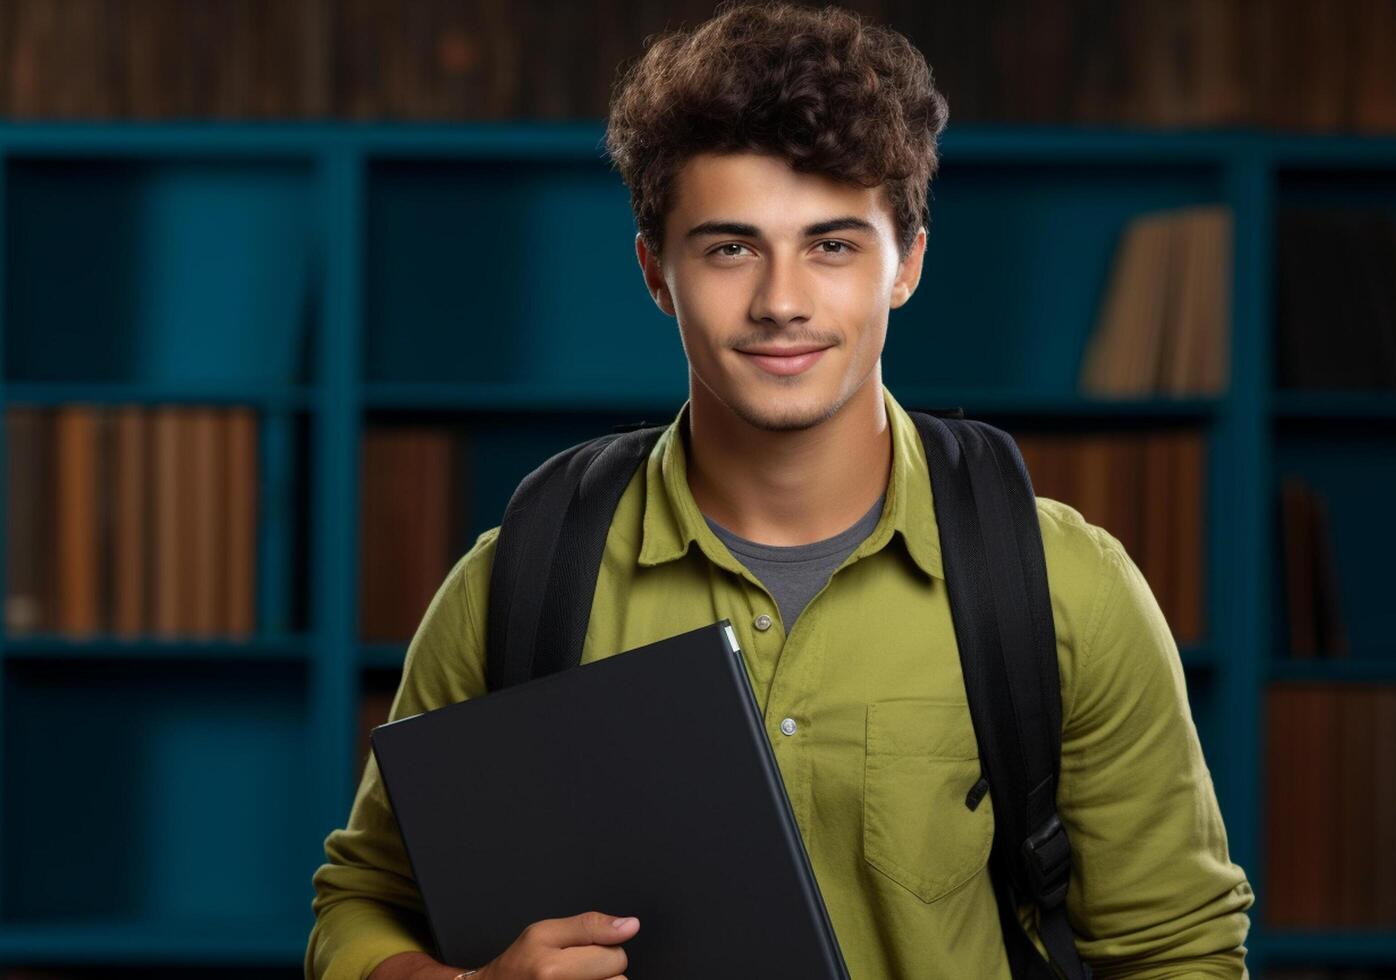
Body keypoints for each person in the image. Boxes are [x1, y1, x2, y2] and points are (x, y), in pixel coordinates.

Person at [305, 2, 1255, 978]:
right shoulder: (523, 580)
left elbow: (1177, 948)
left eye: (832, 244)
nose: (781, 300)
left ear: (908, 263)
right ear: (655, 273)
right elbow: (361, 899)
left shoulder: (1062, 590)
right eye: (729, 247)